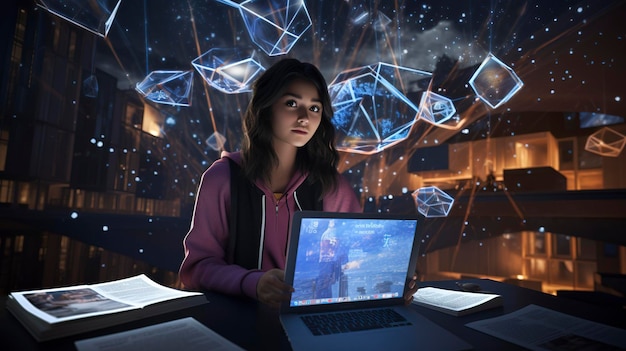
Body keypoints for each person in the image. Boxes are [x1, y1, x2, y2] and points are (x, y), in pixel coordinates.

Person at [179, 58, 418, 308]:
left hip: (312, 322)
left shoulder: (332, 187)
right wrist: (253, 283)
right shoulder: (222, 178)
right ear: (266, 106)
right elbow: (197, 268)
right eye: (292, 103)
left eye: (314, 108)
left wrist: (389, 280)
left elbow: (353, 263)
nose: (304, 117)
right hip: (237, 321)